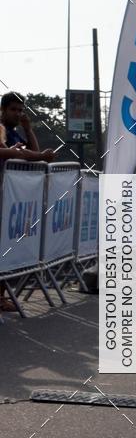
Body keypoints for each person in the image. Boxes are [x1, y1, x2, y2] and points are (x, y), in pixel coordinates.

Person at [0, 94, 55, 312]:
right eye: (14, 110)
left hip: (12, 199)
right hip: (4, 194)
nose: (18, 114)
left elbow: (33, 151)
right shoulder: (1, 129)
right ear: (3, 110)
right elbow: (14, 153)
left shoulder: (13, 132)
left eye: (21, 110)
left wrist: (28, 129)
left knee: (7, 247)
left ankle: (2, 295)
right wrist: (34, 155)